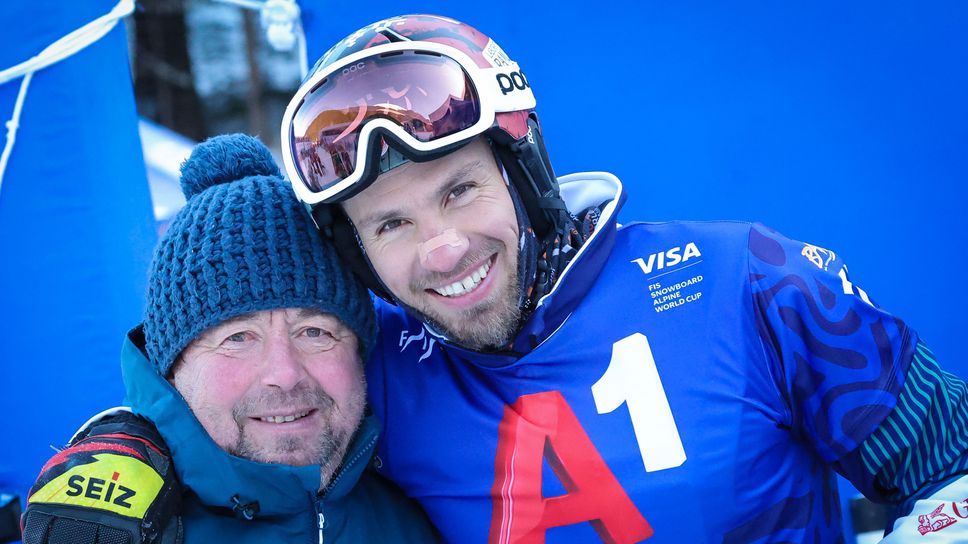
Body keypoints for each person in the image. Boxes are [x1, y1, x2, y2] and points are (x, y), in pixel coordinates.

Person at [274, 14, 968, 542]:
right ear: (357, 253)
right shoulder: (371, 380)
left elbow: (951, 469)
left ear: (525, 175)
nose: (443, 251)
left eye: (459, 190)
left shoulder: (753, 285)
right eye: (391, 225)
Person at [21, 134, 438, 543]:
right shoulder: (108, 531)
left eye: (316, 332)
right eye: (237, 338)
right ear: (173, 368)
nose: (285, 374)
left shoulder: (425, 511)